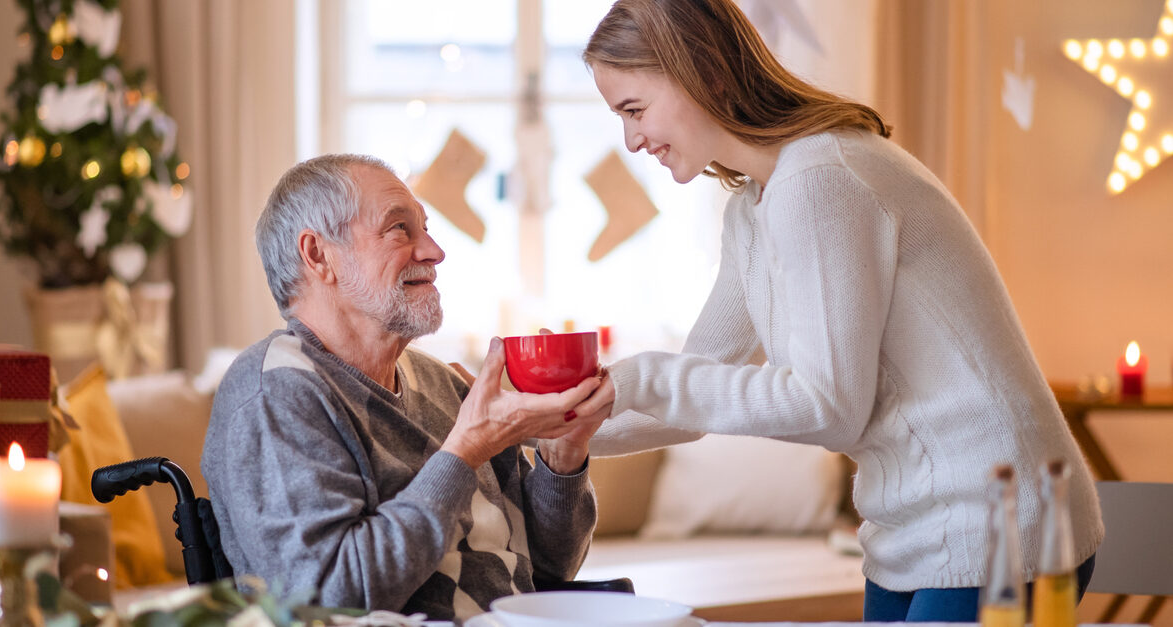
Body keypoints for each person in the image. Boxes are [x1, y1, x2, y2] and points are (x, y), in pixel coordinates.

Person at [575, 0, 1104, 621]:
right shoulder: (753, 208)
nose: (632, 140)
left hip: (998, 521)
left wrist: (636, 378)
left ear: (703, 73)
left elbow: (826, 406)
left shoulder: (821, 177)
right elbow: (694, 391)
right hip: (909, 531)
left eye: (634, 110)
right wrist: (547, 431)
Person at [202, 154, 605, 622]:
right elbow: (326, 600)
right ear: (317, 255)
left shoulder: (440, 382)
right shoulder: (276, 392)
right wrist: (464, 451)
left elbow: (550, 568)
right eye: (399, 229)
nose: (434, 251)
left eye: (426, 229)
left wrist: (563, 456)